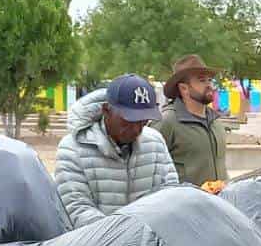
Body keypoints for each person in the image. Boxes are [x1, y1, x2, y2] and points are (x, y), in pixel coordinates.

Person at [55, 73, 178, 226]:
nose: (136, 129)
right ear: (107, 111)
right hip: (95, 244)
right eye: (128, 121)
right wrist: (123, 238)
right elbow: (77, 208)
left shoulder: (155, 142)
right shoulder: (73, 148)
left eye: (143, 121)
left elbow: (170, 194)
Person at [157, 54, 230, 186]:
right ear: (184, 88)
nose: (209, 85)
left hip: (220, 202)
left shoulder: (216, 122)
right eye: (202, 80)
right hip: (184, 204)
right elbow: (153, 171)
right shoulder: (167, 122)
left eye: (210, 80)